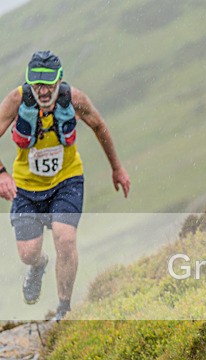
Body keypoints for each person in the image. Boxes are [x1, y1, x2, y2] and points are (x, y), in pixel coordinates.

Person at [0, 51, 130, 321]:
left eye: (49, 83)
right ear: (29, 83)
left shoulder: (74, 99)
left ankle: (63, 310)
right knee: (28, 253)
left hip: (66, 181)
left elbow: (100, 126)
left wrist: (117, 168)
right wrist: (1, 173)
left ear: (60, 80)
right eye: (37, 84)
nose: (43, 90)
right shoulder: (16, 100)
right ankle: (38, 266)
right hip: (26, 187)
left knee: (65, 237)